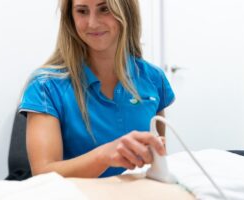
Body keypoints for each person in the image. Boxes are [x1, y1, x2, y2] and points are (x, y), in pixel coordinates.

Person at [18, 0, 175, 178]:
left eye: (104, 9)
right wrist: (104, 156)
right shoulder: (45, 86)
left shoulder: (153, 78)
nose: (92, 23)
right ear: (71, 18)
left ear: (126, 11)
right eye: (82, 11)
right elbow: (43, 174)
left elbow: (159, 159)